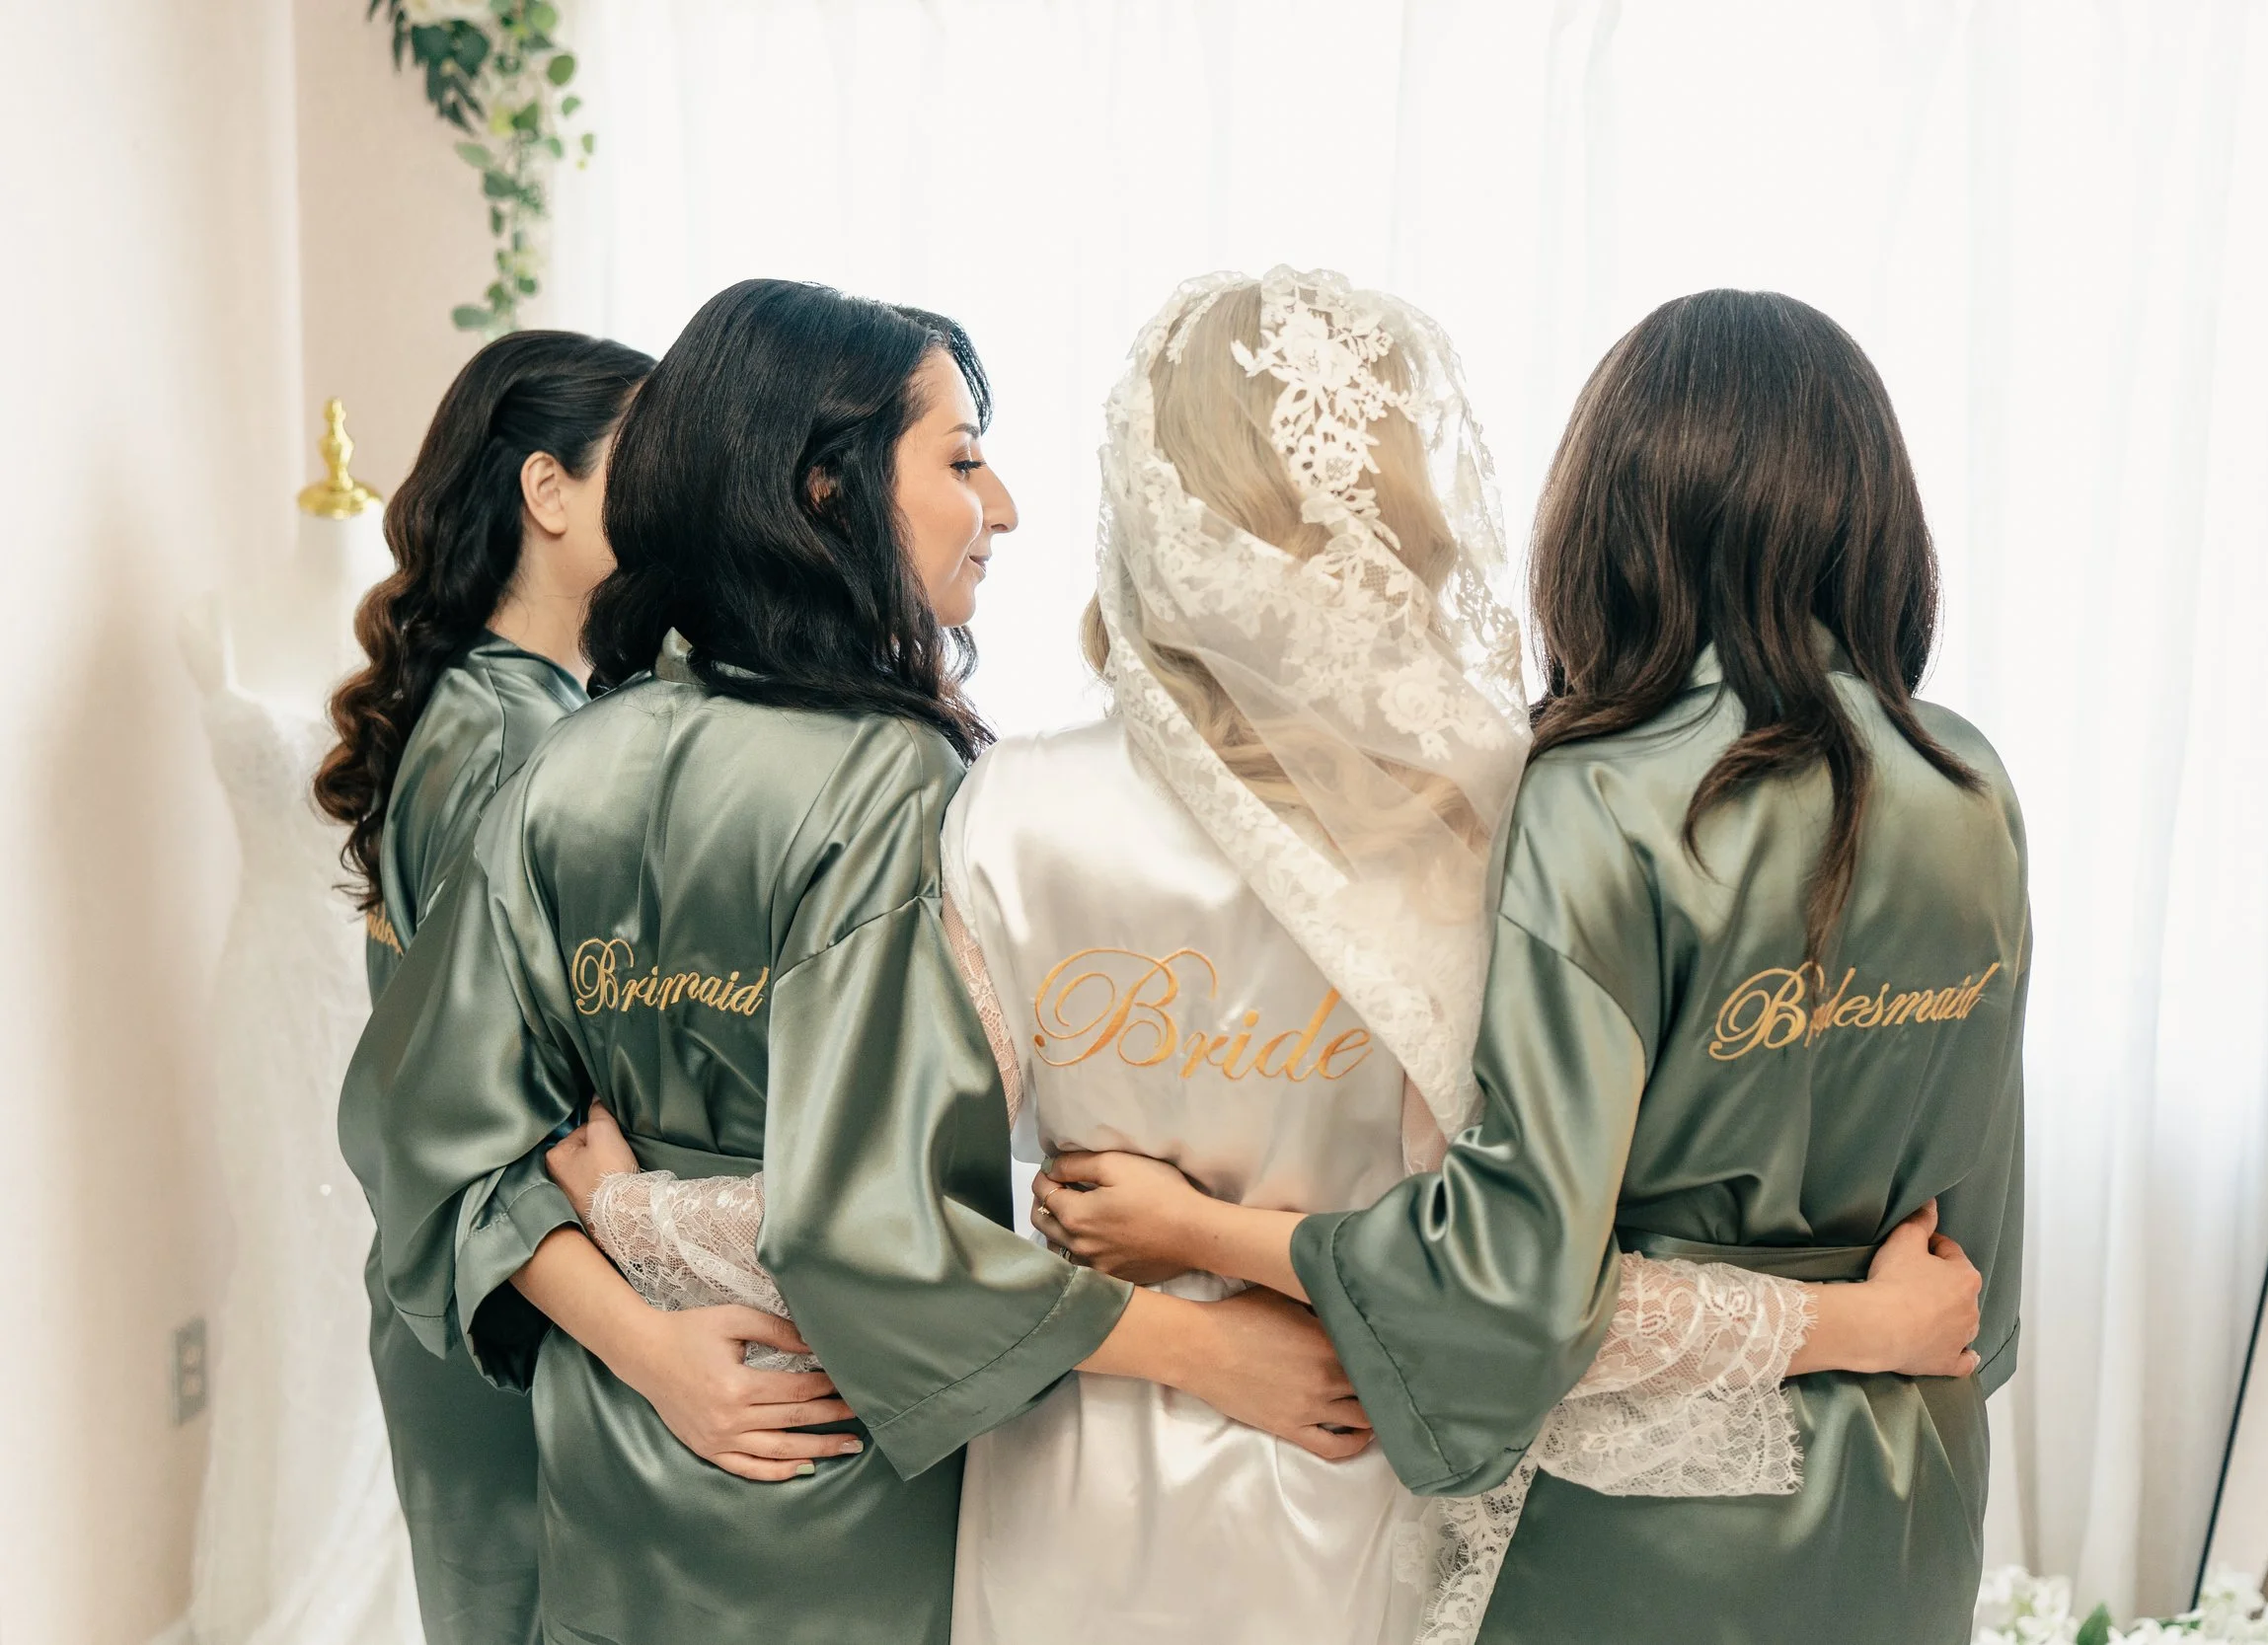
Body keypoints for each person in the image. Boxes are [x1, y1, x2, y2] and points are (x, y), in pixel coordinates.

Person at [543, 270, 1987, 1645]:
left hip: (1084, 1465)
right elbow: (1521, 1268)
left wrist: (633, 1212)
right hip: (1372, 1434)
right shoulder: (1502, 810)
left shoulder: (1016, 808)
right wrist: (1853, 1321)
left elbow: (882, 1224)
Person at [340, 279, 1363, 1645]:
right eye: (963, 460)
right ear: (829, 490)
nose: (1003, 508)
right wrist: (1206, 1349)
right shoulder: (896, 782)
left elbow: (428, 1123)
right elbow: (868, 1233)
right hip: (833, 1467)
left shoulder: (570, 763)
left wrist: (643, 1324)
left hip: (617, 1446)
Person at [1037, 287, 2028, 1645]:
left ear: (1613, 515)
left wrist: (1199, 1233)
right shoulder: (1969, 783)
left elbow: (1516, 1289)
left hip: (1649, 1538)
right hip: (1908, 1502)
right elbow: (1980, 1273)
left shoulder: (1602, 794)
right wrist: (1882, 1330)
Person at [313, 329, 657, 1645]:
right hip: (503, 1303)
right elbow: (465, 1091)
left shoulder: (528, 708)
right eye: (644, 461)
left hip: (512, 1285)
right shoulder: (511, 734)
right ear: (546, 489)